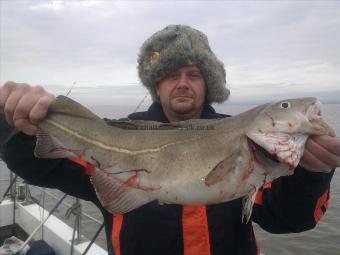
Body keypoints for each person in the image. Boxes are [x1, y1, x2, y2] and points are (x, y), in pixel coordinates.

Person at [0, 24, 339, 255]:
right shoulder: (121, 131)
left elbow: (288, 219)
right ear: (156, 85)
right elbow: (41, 165)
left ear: (208, 84)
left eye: (193, 74)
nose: (182, 83)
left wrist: (312, 174)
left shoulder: (257, 151)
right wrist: (14, 121)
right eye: (170, 75)